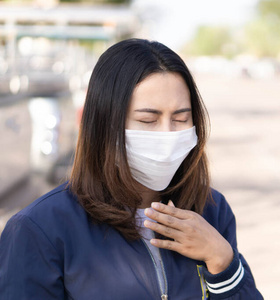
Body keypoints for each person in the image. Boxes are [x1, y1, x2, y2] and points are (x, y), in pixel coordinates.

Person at [0, 39, 263, 300]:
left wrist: (222, 261)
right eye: (148, 120)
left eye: (181, 118)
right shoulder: (39, 229)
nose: (167, 134)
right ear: (105, 124)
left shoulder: (212, 210)